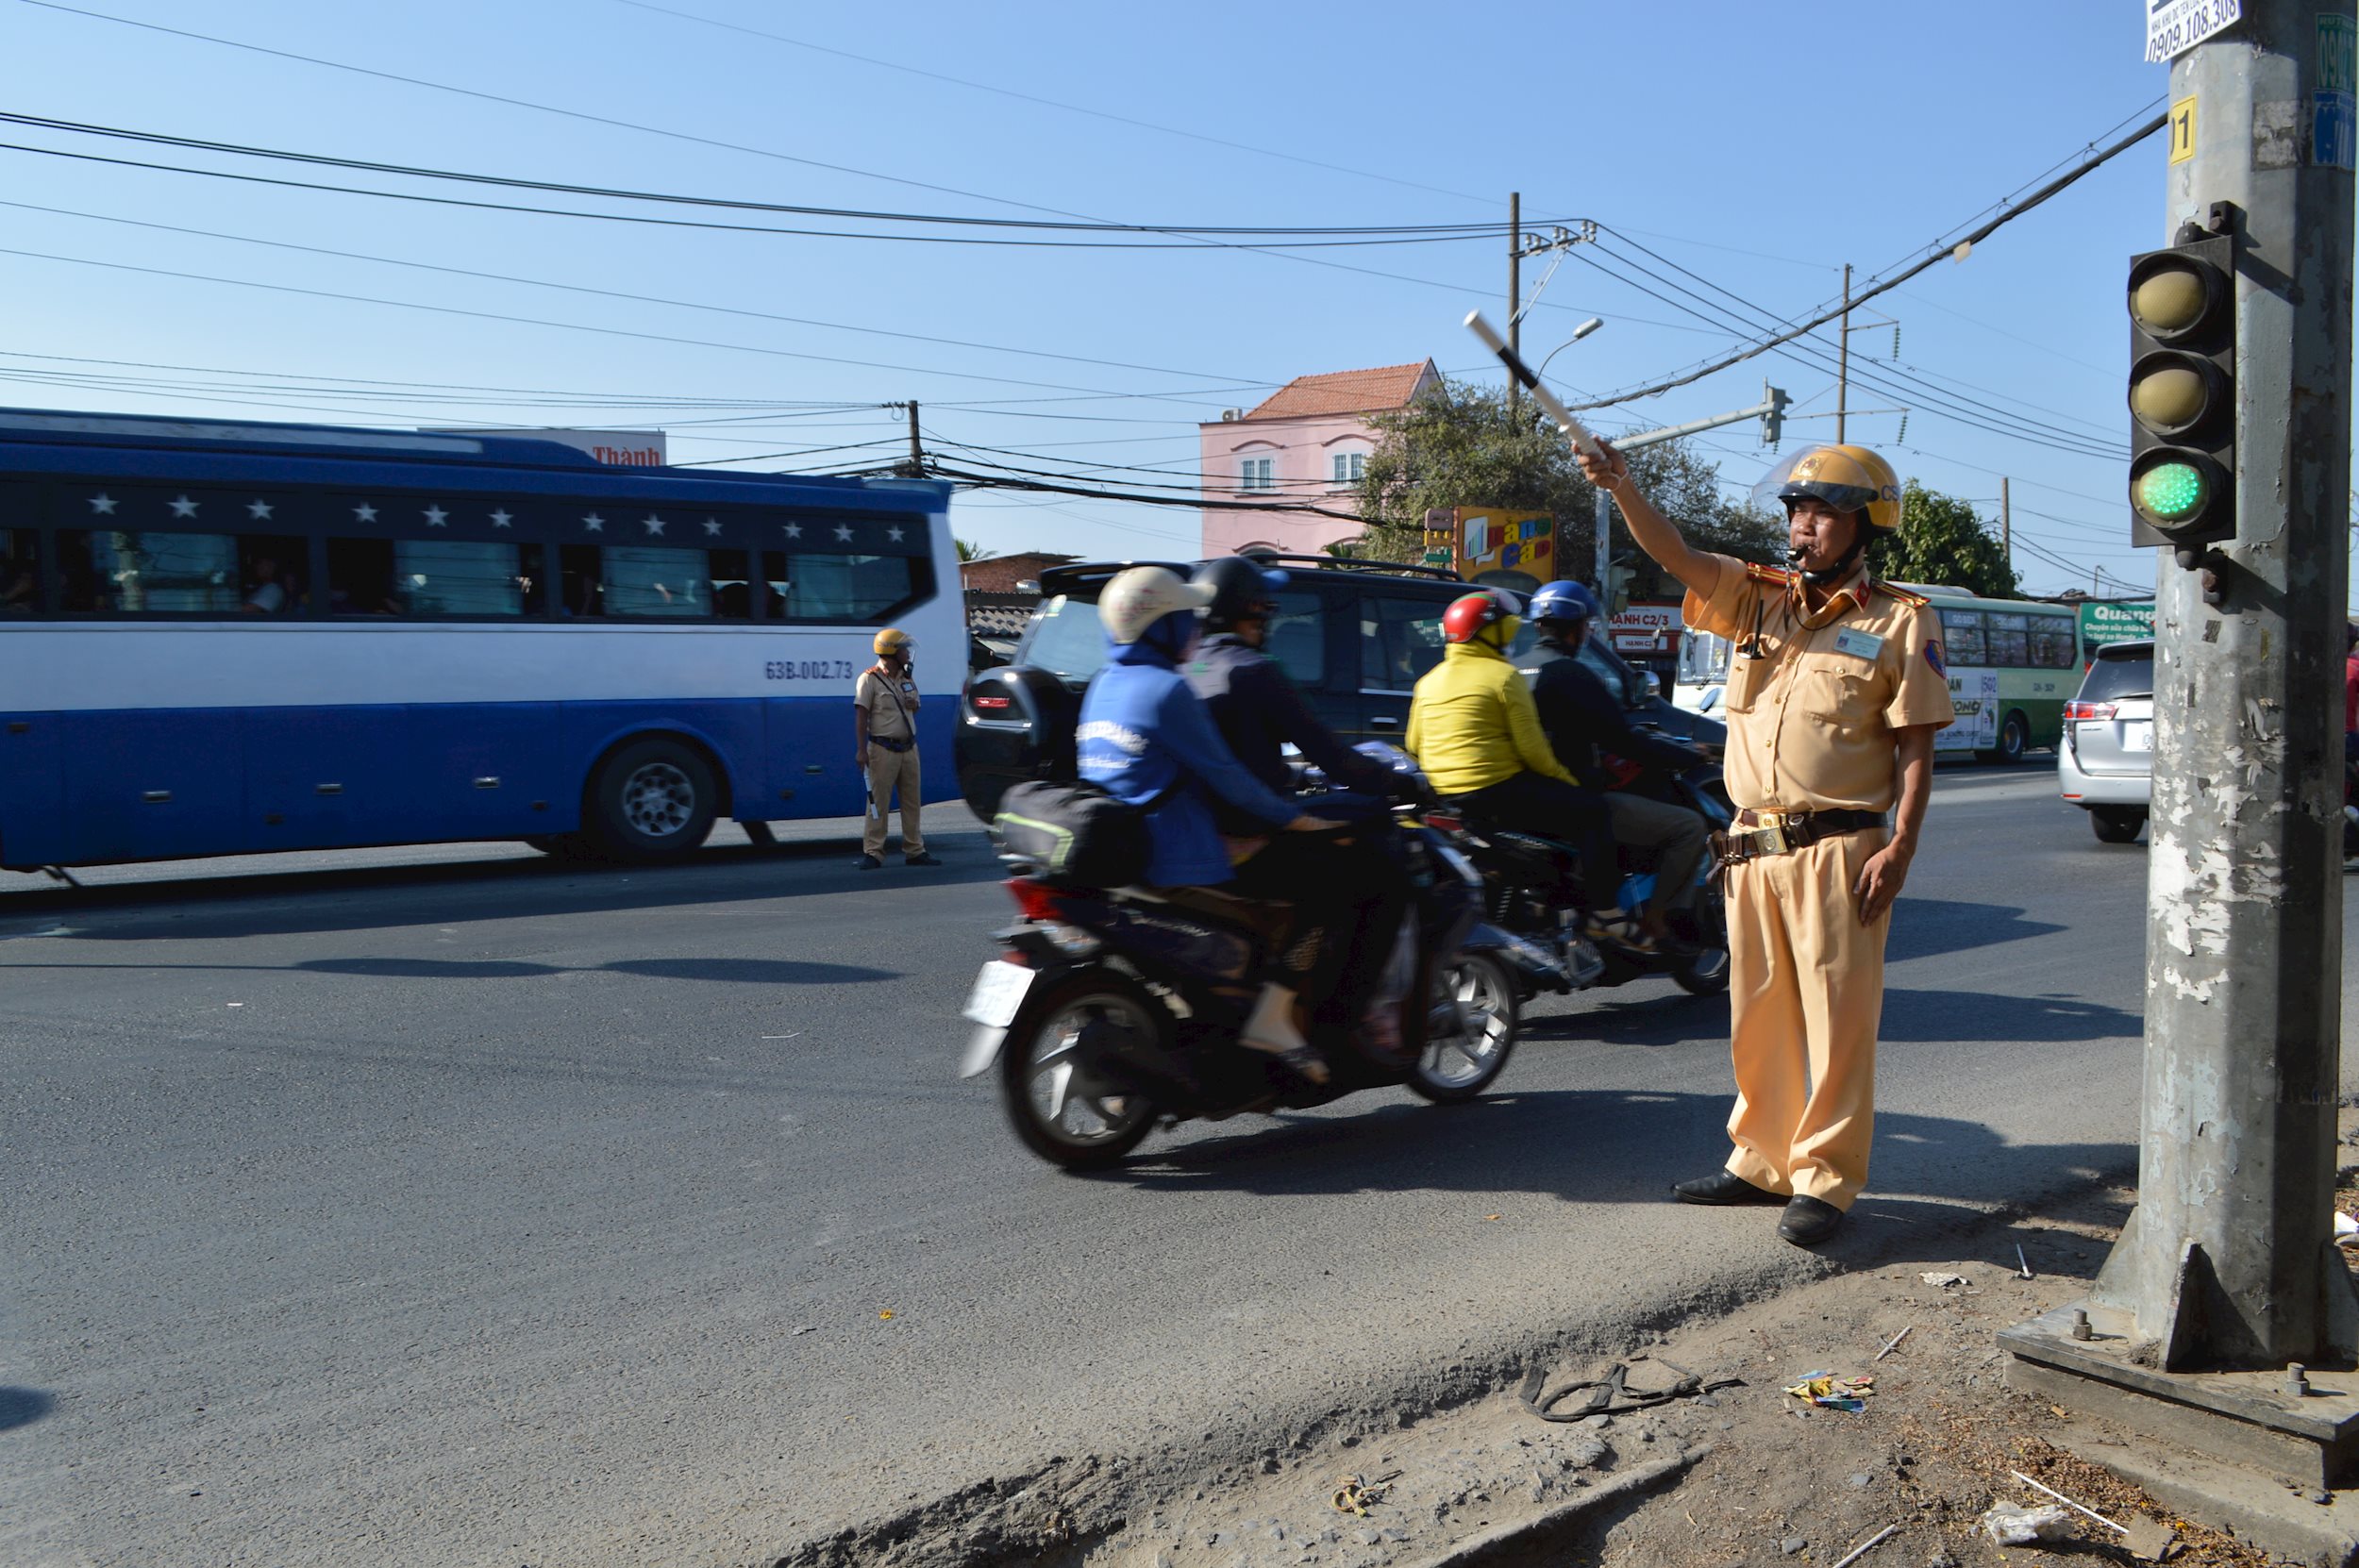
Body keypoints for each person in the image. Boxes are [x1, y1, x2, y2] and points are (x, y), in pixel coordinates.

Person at [1577, 439, 1954, 1247]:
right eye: (1797, 510)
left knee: (1837, 1022)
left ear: (1865, 526)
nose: (1803, 526)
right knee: (1758, 1016)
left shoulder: (1899, 619)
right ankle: (1762, 1161)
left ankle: (1826, 1178)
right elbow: (1673, 552)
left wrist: (1902, 847)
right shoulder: (1756, 600)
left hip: (1839, 848)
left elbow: (1917, 744)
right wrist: (1622, 488)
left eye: (1822, 513)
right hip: (1749, 848)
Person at [1077, 565, 1344, 1080]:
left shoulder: (1104, 682)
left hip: (1119, 845)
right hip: (1178, 853)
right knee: (1325, 891)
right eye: (1184, 619)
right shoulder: (1165, 688)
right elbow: (1228, 777)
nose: (1194, 629)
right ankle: (1272, 1019)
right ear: (1162, 627)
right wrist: (1294, 819)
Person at [1184, 555, 1410, 1030]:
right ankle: (1352, 1011)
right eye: (1265, 603)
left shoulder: (1184, 670)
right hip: (1250, 836)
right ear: (1254, 610)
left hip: (1195, 835)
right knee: (1381, 872)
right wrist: (1400, 782)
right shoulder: (1255, 669)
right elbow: (1336, 760)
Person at [1404, 586, 1631, 942]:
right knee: (1593, 811)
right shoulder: (1503, 677)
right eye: (1506, 627)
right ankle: (1605, 911)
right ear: (1489, 633)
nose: (1512, 633)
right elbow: (1534, 751)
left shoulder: (1427, 682)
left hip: (1444, 796)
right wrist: (1566, 781)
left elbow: (1413, 744)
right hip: (1498, 790)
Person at [1519, 579, 1715, 949]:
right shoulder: (1572, 674)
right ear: (1578, 627)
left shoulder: (1512, 670)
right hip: (1576, 801)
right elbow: (1622, 740)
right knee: (1688, 827)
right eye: (1588, 626)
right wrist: (1686, 755)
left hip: (1525, 798)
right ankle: (1656, 922)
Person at [853, 627, 941, 869]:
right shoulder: (869, 679)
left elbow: (916, 705)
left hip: (909, 748)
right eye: (903, 649)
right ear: (891, 652)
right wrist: (861, 750)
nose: (907, 653)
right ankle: (873, 852)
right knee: (878, 803)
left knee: (912, 801)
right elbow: (861, 715)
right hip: (882, 749)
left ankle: (915, 850)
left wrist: (914, 703)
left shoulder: (906, 678)